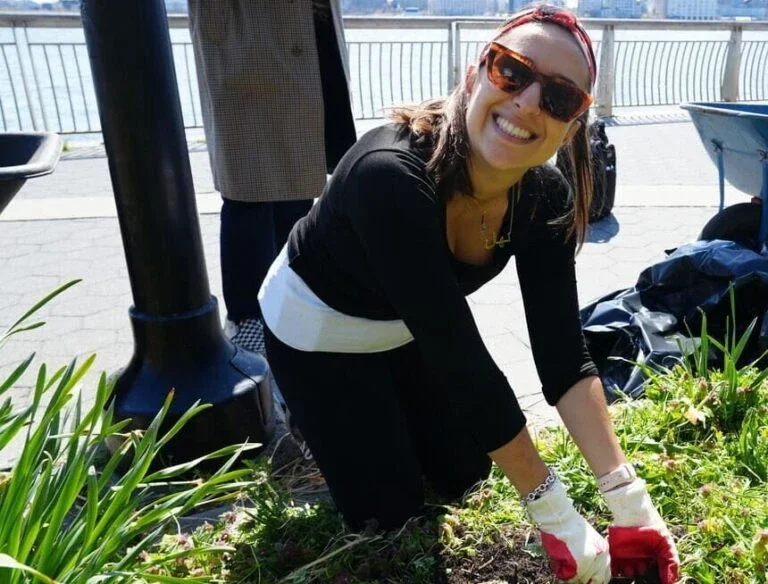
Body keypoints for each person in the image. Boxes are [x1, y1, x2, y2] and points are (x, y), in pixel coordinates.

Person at [258, 6, 680, 583]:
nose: (529, 102)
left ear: (572, 125)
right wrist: (553, 511)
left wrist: (630, 501)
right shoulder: (389, 174)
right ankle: (307, 415)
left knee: (465, 474)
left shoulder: (544, 197)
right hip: (318, 334)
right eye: (512, 71)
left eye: (560, 99)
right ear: (474, 73)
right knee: (391, 512)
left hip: (409, 332)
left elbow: (562, 358)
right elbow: (464, 363)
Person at [188, 0, 357, 454]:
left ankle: (292, 303)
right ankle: (248, 322)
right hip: (249, 31)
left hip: (304, 26)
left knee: (299, 182)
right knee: (249, 192)